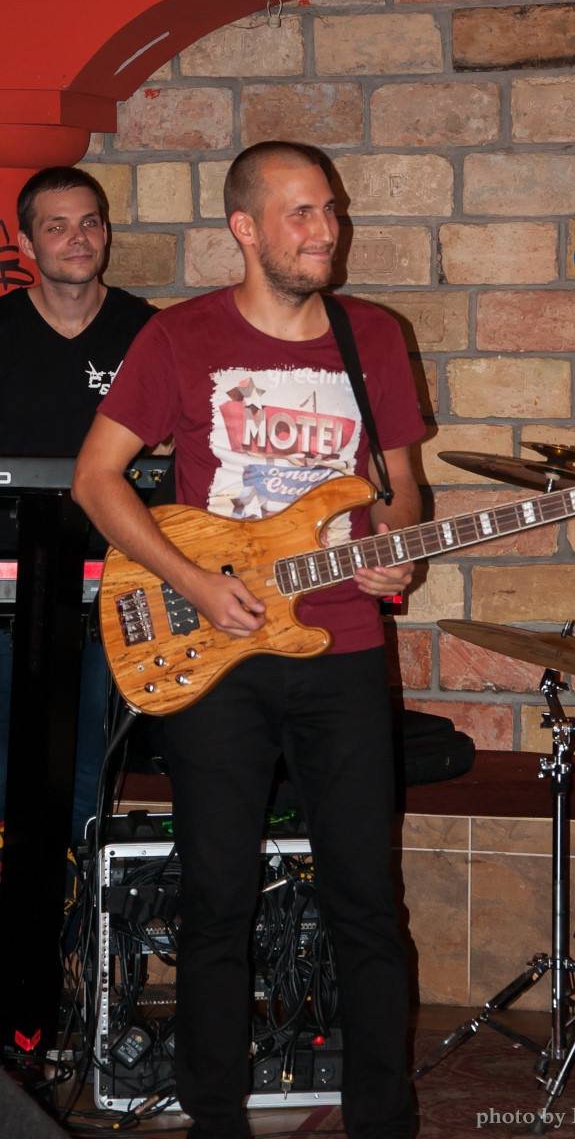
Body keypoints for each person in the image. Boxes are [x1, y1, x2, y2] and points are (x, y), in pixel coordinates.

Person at [72, 141, 425, 1139]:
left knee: (366, 901)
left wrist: (393, 554)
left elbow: (402, 489)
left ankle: (383, 1122)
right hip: (213, 654)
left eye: (332, 210)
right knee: (218, 898)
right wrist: (191, 580)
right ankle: (215, 1120)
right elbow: (96, 479)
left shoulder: (375, 336)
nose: (326, 230)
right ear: (245, 228)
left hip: (342, 647)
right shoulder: (180, 337)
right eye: (302, 212)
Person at [0, 166, 155, 842]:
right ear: (27, 244)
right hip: (7, 584)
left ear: (107, 232)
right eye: (57, 226)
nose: (78, 238)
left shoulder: (147, 332)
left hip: (113, 582)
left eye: (90, 222)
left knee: (87, 757)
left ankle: (77, 896)